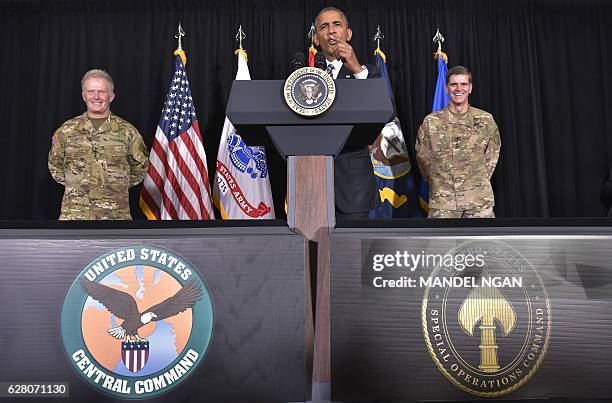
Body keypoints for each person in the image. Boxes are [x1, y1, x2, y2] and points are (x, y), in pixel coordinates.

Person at [48, 69, 149, 220]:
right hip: (75, 214)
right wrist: (78, 183)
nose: (96, 97)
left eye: (101, 92)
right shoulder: (66, 131)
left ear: (111, 96)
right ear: (83, 95)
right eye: (91, 91)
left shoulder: (128, 132)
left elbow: (140, 167)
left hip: (115, 215)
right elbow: (55, 165)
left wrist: (115, 185)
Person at [313, 6, 380, 220]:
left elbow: (382, 112)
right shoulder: (304, 78)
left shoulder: (368, 73)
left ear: (348, 34)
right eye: (324, 26)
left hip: (353, 185)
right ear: (316, 38)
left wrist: (356, 69)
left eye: (337, 24)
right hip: (311, 181)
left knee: (351, 251)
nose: (331, 31)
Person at [416, 66, 501, 218]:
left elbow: (492, 155)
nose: (458, 89)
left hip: (478, 201)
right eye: (453, 84)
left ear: (470, 88)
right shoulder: (431, 122)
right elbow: (424, 159)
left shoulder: (485, 120)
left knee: (479, 242)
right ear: (446, 88)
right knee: (441, 243)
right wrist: (441, 183)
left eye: (463, 84)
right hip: (443, 202)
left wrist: (475, 180)